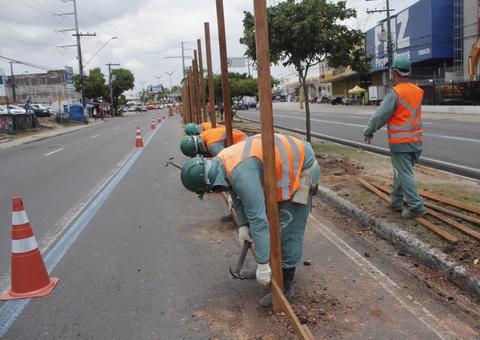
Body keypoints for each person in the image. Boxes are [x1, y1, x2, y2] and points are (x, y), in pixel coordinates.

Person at [180, 134, 320, 307]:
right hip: (284, 165)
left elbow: (259, 221)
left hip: (302, 169)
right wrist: (243, 225)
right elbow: (235, 194)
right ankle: (273, 268)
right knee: (269, 221)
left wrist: (261, 264)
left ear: (210, 184)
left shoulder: (242, 174)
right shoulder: (220, 162)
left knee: (287, 226)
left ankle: (286, 285)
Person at [363, 57, 426, 218]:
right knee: (402, 172)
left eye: (392, 72)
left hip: (401, 142)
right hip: (416, 141)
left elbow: (380, 115)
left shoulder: (396, 92)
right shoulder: (418, 91)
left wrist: (369, 131)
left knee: (404, 173)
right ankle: (396, 201)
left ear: (395, 72)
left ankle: (416, 206)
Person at [180, 126, 247, 157]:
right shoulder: (203, 134)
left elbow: (227, 160)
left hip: (245, 146)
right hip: (240, 136)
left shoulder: (213, 146)